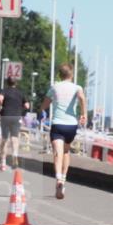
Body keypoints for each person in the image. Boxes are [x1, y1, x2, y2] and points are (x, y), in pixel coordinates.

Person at [41, 63, 86, 199]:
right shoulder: (77, 87)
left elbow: (45, 104)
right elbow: (82, 98)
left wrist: (41, 110)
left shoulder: (54, 87)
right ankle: (64, 179)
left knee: (57, 153)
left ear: (60, 75)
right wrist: (83, 114)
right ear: (71, 74)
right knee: (66, 152)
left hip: (58, 124)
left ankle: (58, 178)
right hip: (71, 125)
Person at [0, 77, 29, 171]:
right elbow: (27, 105)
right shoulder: (20, 92)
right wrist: (21, 113)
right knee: (14, 138)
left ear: (7, 83)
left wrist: (0, 107)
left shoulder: (4, 91)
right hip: (16, 117)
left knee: (4, 139)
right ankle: (15, 155)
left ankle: (3, 163)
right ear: (16, 83)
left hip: (6, 116)